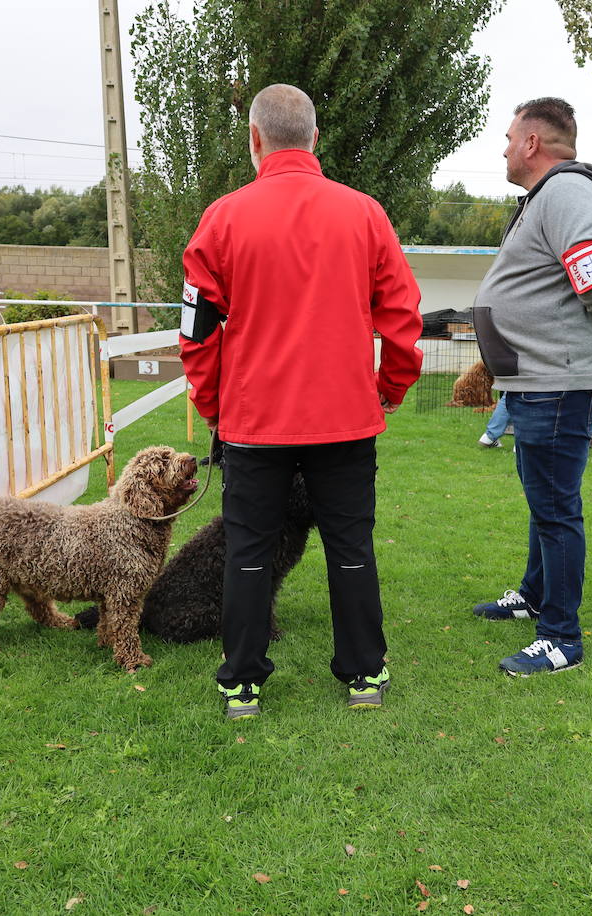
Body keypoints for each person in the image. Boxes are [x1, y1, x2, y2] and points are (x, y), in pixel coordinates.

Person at [179, 84, 423, 719]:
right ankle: (365, 674)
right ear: (315, 139)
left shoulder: (222, 218)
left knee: (249, 550)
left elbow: (196, 331)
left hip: (254, 423)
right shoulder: (365, 214)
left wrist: (213, 406)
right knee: (351, 548)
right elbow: (402, 319)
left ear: (254, 140)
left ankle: (242, 683)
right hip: (344, 421)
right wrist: (388, 390)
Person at [468, 97, 592, 676]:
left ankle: (561, 637)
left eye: (508, 137)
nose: (502, 147)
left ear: (531, 143)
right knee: (542, 496)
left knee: (555, 506)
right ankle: (535, 593)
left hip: (560, 381)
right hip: (541, 378)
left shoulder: (568, 192)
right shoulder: (552, 196)